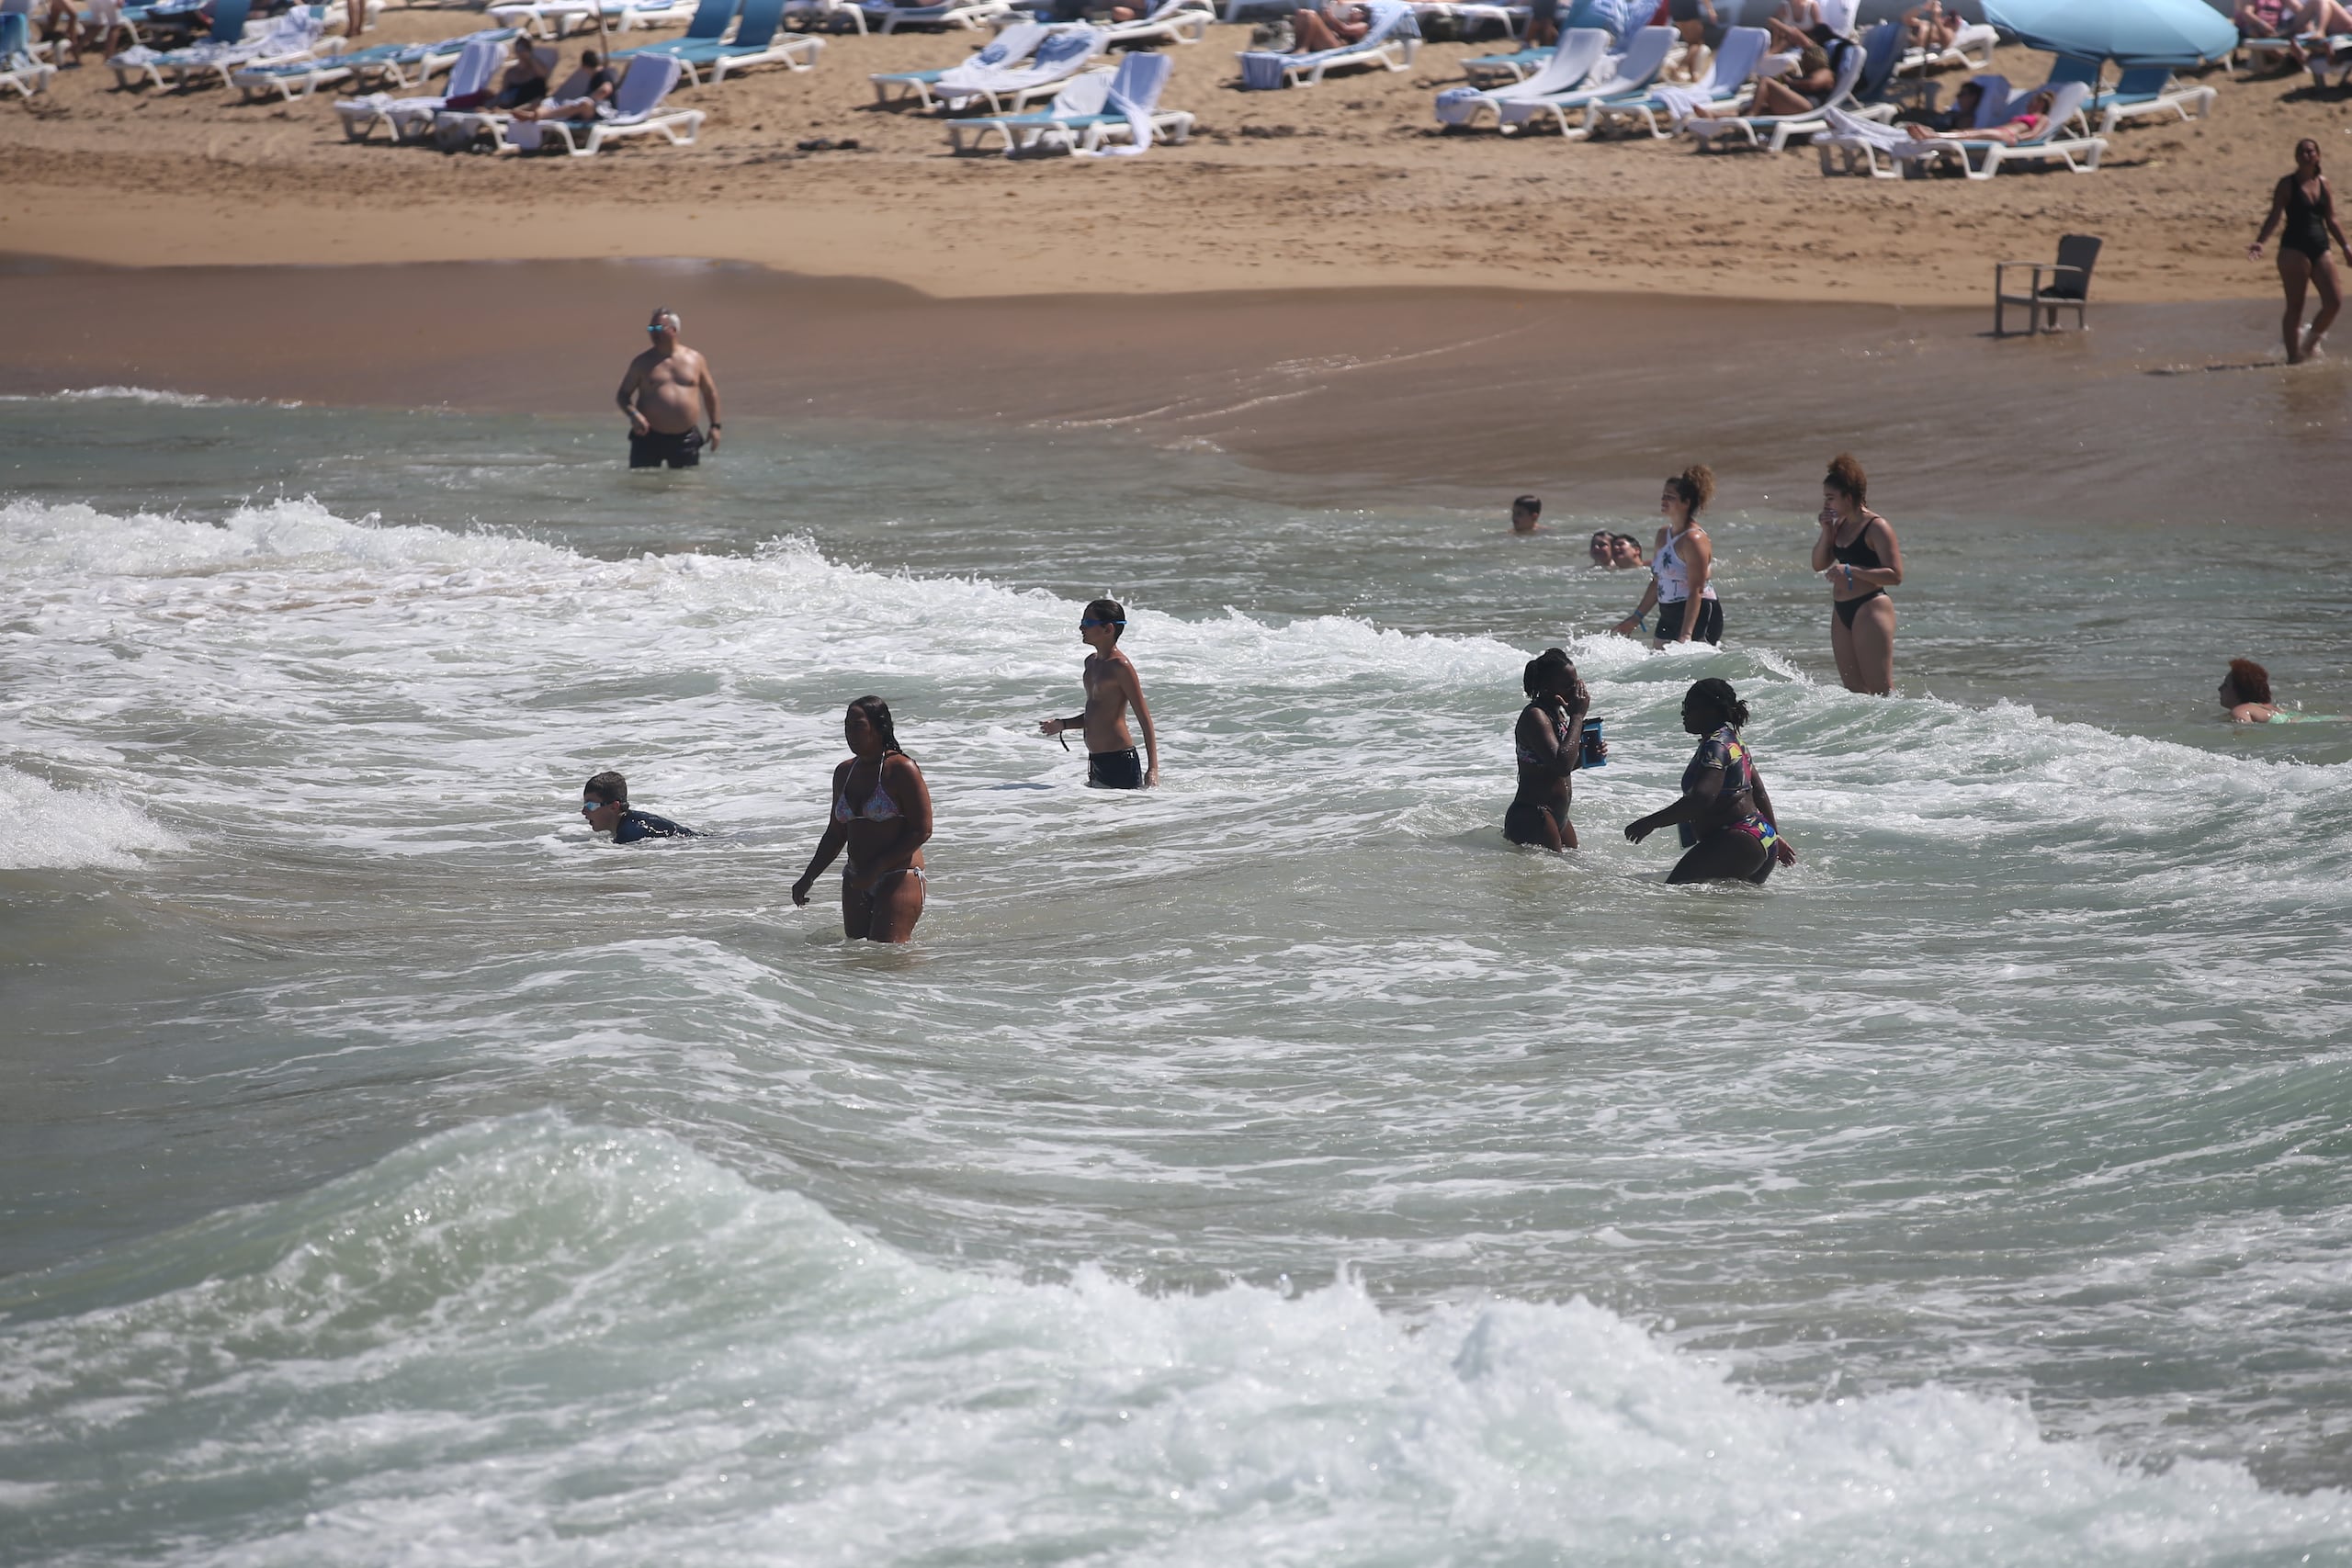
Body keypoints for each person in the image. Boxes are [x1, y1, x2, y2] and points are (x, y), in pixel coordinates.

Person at [1623, 678, 1797, 885]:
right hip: (1760, 836)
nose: (1683, 714)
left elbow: (1701, 799)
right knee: (1722, 914)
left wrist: (1650, 822)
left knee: (1674, 898)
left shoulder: (1715, 747)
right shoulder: (1732, 740)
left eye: (1689, 708)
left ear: (1711, 711)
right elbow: (1758, 792)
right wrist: (1774, 837)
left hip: (1737, 841)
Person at [791, 697, 933, 943]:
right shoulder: (845, 772)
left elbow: (921, 830)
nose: (850, 733)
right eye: (846, 726)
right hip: (856, 878)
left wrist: (876, 868)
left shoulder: (901, 768)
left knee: (885, 957)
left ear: (879, 727)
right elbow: (836, 834)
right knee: (858, 958)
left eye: (858, 726)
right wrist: (809, 877)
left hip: (898, 876)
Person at [1039, 599, 1160, 788]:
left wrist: (1153, 769)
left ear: (1108, 629)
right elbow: (1096, 715)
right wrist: (1063, 724)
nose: (1081, 627)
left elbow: (1145, 720)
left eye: (1088, 623)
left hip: (1120, 760)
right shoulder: (1091, 663)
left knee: (1122, 817)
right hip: (1095, 761)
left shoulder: (1121, 667)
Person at [1810, 452, 1902, 695]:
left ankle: (1900, 730)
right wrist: (1826, 530)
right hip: (1842, 610)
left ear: (1848, 497)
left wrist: (1851, 570)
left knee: (1880, 688)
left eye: (1831, 498)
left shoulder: (1877, 527)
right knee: (1853, 691)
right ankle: (1869, 735)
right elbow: (1818, 564)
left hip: (1870, 607)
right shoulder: (1840, 525)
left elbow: (1895, 575)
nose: (1826, 504)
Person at [2251, 139, 2350, 366]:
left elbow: (2331, 219)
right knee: (2295, 305)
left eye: (2311, 151)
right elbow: (2274, 215)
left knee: (2334, 302)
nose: (2306, 155)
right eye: (2302, 152)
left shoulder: (2324, 183)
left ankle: (2308, 344)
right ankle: (2294, 358)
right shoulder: (2287, 184)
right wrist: (2260, 242)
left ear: (2318, 155)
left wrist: (2346, 247)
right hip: (2293, 248)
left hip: (2320, 246)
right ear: (2296, 158)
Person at [1612, 465, 1720, 648]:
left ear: (1686, 502)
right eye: (1663, 495)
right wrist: (1636, 618)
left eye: (1670, 497)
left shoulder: (1694, 539)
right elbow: (1657, 581)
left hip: (1699, 613)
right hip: (1668, 612)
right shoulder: (1663, 535)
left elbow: (1696, 590)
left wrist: (1686, 635)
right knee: (1661, 670)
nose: (1663, 500)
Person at [1504, 648, 1597, 851]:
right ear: (1547, 687)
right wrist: (1578, 717)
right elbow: (1561, 765)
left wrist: (1586, 756)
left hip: (1558, 815)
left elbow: (1558, 764)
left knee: (1571, 876)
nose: (1575, 691)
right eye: (1568, 685)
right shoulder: (1535, 716)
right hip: (1533, 815)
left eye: (1576, 683)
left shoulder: (1559, 715)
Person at [616, 307, 722, 469]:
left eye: (658, 328)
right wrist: (634, 415)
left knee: (685, 487)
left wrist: (715, 426)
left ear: (674, 329)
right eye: (650, 328)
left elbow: (710, 393)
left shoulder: (695, 359)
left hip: (685, 438)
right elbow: (623, 395)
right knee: (643, 486)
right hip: (647, 438)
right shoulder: (642, 362)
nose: (653, 332)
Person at [1902, 86, 2056, 145]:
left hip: (2008, 135)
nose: (2028, 105)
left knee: (1969, 133)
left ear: (2041, 105)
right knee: (1965, 133)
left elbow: (2035, 134)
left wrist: (2018, 139)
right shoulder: (2026, 115)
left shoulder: (2042, 118)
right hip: (2002, 132)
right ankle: (1933, 135)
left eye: (2032, 102)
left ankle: (1932, 135)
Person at [579, 770, 696, 843]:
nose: (584, 811)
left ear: (614, 807)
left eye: (590, 805)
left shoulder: (630, 834)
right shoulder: (628, 823)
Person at [510, 48, 617, 121]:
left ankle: (536, 116)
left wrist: (590, 98)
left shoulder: (602, 74)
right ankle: (534, 113)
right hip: (593, 111)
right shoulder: (597, 76)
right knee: (550, 101)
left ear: (584, 66)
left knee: (585, 104)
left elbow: (606, 90)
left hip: (605, 112)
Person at [2220, 659, 2285, 722]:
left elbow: (2246, 732)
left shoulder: (2240, 711)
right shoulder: (2276, 709)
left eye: (2225, 685)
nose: (2219, 689)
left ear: (2240, 690)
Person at [1289, 0, 1369, 51]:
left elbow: (1345, 29)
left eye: (1355, 10)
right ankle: (1298, 47)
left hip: (1338, 46)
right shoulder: (1345, 21)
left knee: (1311, 15)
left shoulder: (1363, 26)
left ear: (1363, 14)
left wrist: (1331, 17)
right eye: (1352, 9)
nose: (1351, 11)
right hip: (1330, 41)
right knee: (1301, 13)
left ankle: (1303, 48)